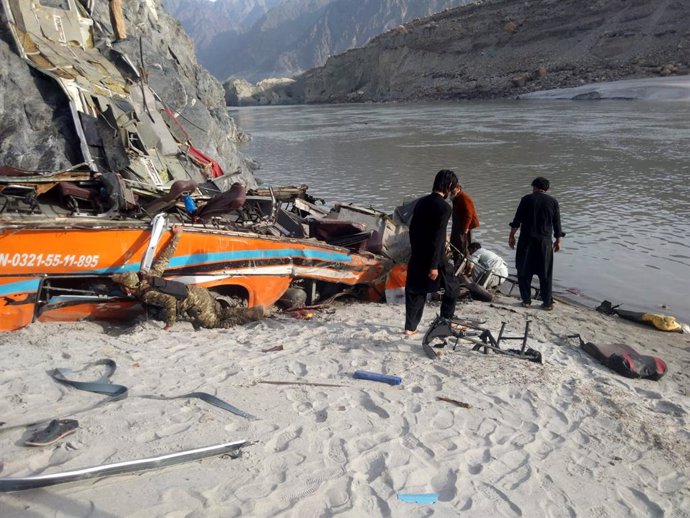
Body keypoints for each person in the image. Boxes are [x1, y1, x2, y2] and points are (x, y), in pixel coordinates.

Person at [112, 225, 264, 329]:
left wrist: (169, 324)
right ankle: (251, 311)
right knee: (218, 312)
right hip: (200, 292)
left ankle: (247, 316)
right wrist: (177, 236)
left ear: (128, 288)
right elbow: (164, 259)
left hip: (196, 303)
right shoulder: (149, 277)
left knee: (215, 323)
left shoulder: (147, 294)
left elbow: (170, 302)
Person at [404, 169, 461, 335]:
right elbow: (438, 238)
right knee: (453, 287)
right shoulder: (444, 207)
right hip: (435, 257)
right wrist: (434, 265)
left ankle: (410, 328)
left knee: (415, 290)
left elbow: (412, 229)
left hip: (417, 253)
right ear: (448, 185)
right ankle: (445, 320)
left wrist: (416, 251)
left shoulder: (421, 202)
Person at [508, 177, 565, 310]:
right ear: (546, 189)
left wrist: (511, 236)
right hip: (544, 243)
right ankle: (547, 303)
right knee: (545, 273)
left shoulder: (526, 199)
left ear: (534, 187)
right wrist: (558, 241)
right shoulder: (553, 202)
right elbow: (557, 224)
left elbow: (517, 220)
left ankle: (526, 300)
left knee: (523, 271)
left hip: (526, 241)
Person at [450, 183, 479, 267]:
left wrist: (466, 228)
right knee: (454, 243)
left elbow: (469, 215)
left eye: (453, 188)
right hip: (457, 224)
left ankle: (463, 265)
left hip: (462, 226)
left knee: (462, 246)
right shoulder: (455, 197)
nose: (451, 191)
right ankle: (457, 263)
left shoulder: (464, 197)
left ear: (458, 188)